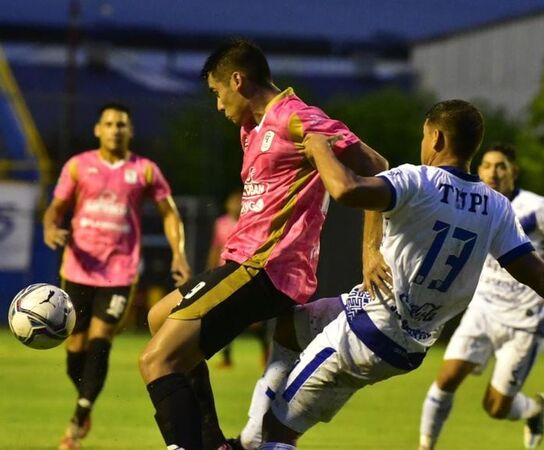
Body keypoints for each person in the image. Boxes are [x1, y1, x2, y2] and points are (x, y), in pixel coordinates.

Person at [258, 100, 544, 450]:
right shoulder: (496, 206)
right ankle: (247, 438)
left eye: (424, 136)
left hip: (366, 332)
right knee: (290, 326)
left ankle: (257, 438)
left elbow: (348, 189)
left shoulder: (417, 180)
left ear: (435, 138)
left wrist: (318, 149)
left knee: (278, 431)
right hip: (407, 340)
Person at [137, 38, 388, 450]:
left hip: (265, 269)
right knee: (158, 318)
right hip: (244, 263)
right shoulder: (250, 131)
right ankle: (212, 442)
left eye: (218, 94)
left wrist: (371, 250)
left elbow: (377, 167)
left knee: (156, 361)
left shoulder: (297, 118)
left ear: (237, 80)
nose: (218, 106)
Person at [418, 144, 544, 450]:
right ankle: (425, 446)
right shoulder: (479, 202)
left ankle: (533, 410)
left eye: (501, 166)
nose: (493, 172)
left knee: (495, 407)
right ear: (478, 169)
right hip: (483, 309)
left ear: (514, 172)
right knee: (446, 380)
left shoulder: (536, 207)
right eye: (486, 165)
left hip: (523, 321)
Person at [43, 102, 191, 450]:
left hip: (120, 272)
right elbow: (56, 208)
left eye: (121, 124)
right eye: (109, 124)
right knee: (75, 349)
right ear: (98, 130)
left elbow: (169, 214)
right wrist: (50, 227)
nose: (115, 129)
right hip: (78, 269)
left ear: (131, 131)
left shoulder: (145, 171)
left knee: (101, 337)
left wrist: (179, 253)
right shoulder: (78, 166)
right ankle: (85, 399)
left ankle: (79, 419)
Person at [206, 189, 271, 369]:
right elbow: (215, 247)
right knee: (223, 317)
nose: (234, 206)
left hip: (244, 274)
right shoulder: (221, 223)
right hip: (224, 274)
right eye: (232, 203)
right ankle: (226, 358)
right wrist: (211, 270)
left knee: (255, 321)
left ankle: (266, 352)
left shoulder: (249, 221)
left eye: (237, 203)